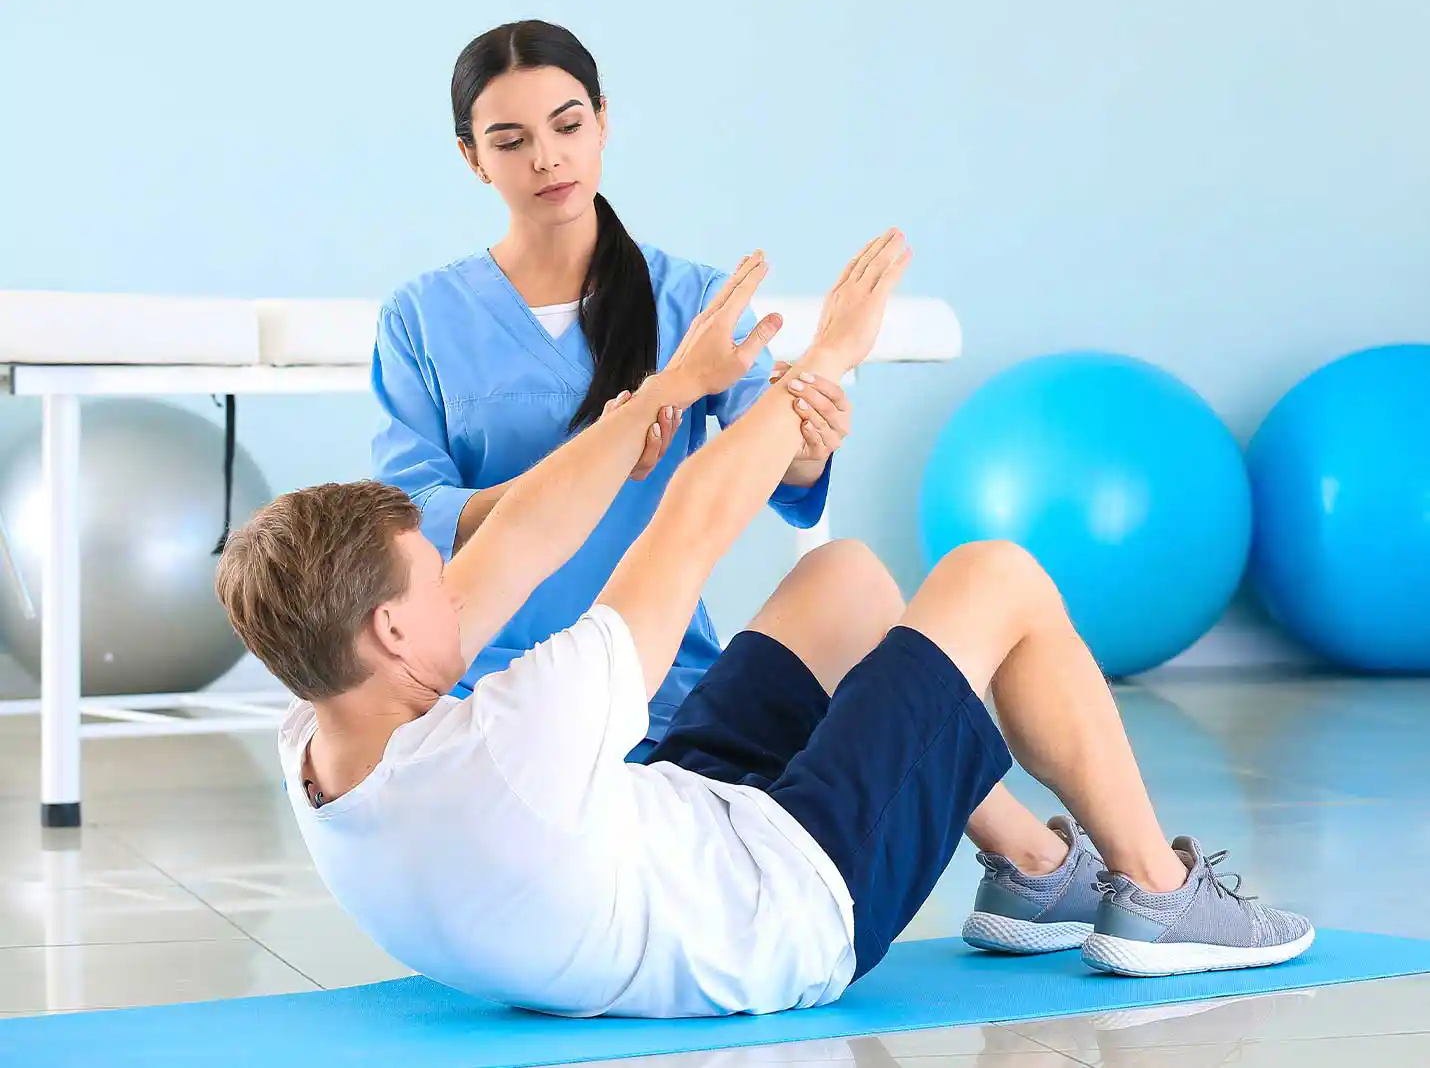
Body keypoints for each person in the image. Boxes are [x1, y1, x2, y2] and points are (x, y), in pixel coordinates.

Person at [217, 233, 1314, 1021]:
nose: (459, 583)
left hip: (668, 830)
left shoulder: (322, 730)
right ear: (393, 633)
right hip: (789, 908)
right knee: (994, 576)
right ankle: (1160, 900)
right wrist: (825, 358)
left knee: (841, 580)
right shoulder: (509, 746)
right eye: (433, 581)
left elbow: (518, 543)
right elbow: (688, 528)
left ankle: (1031, 865)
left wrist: (669, 391)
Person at [369, 19, 847, 754]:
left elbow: (776, 462)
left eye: (568, 125)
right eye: (510, 140)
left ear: (603, 122)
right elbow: (412, 510)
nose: (547, 158)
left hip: (657, 677)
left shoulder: (695, 300)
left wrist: (811, 431)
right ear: (472, 158)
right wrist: (588, 468)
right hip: (481, 685)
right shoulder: (421, 316)